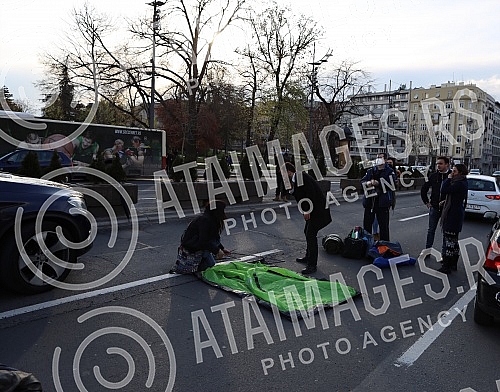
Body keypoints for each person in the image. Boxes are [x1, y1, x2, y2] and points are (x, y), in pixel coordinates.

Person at [285, 162, 332, 274]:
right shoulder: (296, 179)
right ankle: (308, 256)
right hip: (314, 210)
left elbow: (310, 194)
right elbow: (300, 195)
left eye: (283, 173)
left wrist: (307, 210)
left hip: (318, 210)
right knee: (307, 232)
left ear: (288, 172)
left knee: (311, 234)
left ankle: (312, 265)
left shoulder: (301, 177)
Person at [171, 200, 231, 274]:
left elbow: (213, 237)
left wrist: (222, 248)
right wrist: (217, 250)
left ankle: (202, 259)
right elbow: (203, 241)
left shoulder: (210, 219)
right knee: (210, 264)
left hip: (197, 244)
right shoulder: (205, 220)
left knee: (212, 256)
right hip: (192, 247)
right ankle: (195, 265)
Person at [437, 163, 468, 274]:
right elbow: (456, 197)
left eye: (454, 171)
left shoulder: (459, 183)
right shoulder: (462, 182)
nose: (452, 173)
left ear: (460, 172)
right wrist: (446, 202)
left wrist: (448, 179)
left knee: (449, 240)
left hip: (453, 215)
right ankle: (453, 263)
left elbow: (444, 189)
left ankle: (447, 266)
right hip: (456, 213)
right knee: (453, 240)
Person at [361, 154, 396, 241]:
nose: (378, 159)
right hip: (370, 201)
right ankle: (366, 245)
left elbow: (392, 184)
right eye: (377, 157)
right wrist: (367, 183)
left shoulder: (389, 171)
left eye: (380, 157)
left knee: (383, 226)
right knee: (367, 225)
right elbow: (362, 181)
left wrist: (379, 183)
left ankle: (385, 245)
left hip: (383, 203)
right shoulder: (371, 170)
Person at [420, 156, 451, 253]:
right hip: (434, 207)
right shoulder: (433, 176)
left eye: (441, 164)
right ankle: (427, 250)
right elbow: (424, 189)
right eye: (437, 164)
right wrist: (426, 202)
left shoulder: (451, 176)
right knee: (431, 230)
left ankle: (444, 253)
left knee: (446, 232)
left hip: (447, 208)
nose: (438, 166)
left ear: (447, 164)